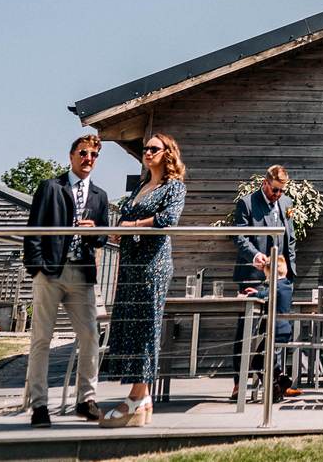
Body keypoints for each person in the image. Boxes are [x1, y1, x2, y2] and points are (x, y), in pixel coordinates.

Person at [99, 133, 187, 427]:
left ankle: (137, 396)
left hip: (153, 263)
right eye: (145, 148)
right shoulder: (141, 186)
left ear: (167, 153)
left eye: (153, 148)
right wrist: (119, 231)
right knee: (130, 323)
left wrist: (132, 225)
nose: (147, 152)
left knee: (146, 326)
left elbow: (168, 219)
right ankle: (142, 397)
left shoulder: (173, 188)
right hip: (130, 262)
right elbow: (125, 219)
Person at [23, 135, 110, 426]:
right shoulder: (51, 187)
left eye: (94, 155)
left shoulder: (99, 196)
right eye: (84, 153)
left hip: (82, 273)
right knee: (42, 339)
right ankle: (39, 405)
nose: (89, 159)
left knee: (89, 336)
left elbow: (102, 238)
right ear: (72, 156)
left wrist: (93, 230)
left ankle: (86, 400)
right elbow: (34, 229)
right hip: (50, 271)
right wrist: (36, 267)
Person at [229, 165, 298, 401]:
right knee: (247, 331)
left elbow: (291, 238)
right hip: (254, 276)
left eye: (281, 191)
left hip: (280, 278)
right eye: (275, 190)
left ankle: (275, 380)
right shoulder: (247, 203)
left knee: (277, 330)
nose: (278, 195)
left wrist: (289, 269)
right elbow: (238, 236)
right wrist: (255, 256)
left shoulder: (287, 204)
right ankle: (239, 382)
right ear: (265, 183)